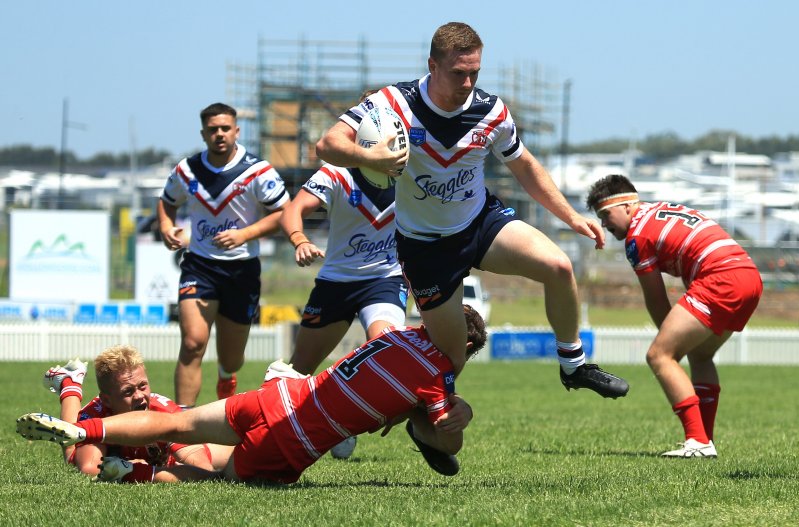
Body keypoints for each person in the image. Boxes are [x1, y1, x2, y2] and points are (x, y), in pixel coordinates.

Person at [315, 21, 628, 398]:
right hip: (426, 247)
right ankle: (410, 416)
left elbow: (525, 167)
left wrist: (571, 217)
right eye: (458, 73)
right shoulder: (392, 102)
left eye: (475, 73)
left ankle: (574, 366)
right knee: (451, 363)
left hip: (480, 223)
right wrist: (370, 156)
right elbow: (327, 145)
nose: (467, 83)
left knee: (559, 266)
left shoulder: (491, 110)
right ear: (432, 66)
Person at [18, 306, 486, 484]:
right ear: (465, 346)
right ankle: (136, 476)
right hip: (294, 439)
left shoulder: (397, 334)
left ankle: (82, 426)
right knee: (210, 472)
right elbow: (445, 446)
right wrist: (455, 410)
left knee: (176, 421)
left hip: (277, 397)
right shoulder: (438, 374)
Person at [585, 174, 763, 458]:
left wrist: (667, 346)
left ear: (629, 205)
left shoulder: (637, 235)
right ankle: (705, 440)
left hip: (722, 277)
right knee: (701, 356)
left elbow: (655, 298)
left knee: (658, 356)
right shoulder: (663, 211)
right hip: (749, 276)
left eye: (606, 214)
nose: (604, 224)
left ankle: (697, 441)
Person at [158, 102, 290, 407]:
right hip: (199, 267)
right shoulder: (186, 169)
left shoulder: (258, 171)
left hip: (241, 271)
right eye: (213, 129)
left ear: (236, 131)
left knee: (233, 359)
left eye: (225, 128)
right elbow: (167, 201)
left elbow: (284, 213)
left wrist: (243, 234)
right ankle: (183, 424)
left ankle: (225, 375)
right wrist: (166, 225)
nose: (220, 134)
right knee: (193, 344)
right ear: (203, 133)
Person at [279, 155, 409, 459]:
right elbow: (293, 210)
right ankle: (273, 428)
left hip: (385, 280)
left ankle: (426, 434)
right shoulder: (336, 172)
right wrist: (299, 240)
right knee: (298, 371)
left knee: (385, 351)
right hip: (335, 282)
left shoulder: (413, 169)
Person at [41, 346, 231, 482]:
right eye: (128, 391)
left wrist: (138, 470)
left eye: (143, 386)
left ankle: (69, 382)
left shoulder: (164, 411)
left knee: (231, 457)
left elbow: (203, 469)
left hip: (168, 458)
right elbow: (89, 468)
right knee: (71, 453)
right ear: (107, 400)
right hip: (106, 431)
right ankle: (70, 383)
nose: (140, 396)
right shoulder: (96, 415)